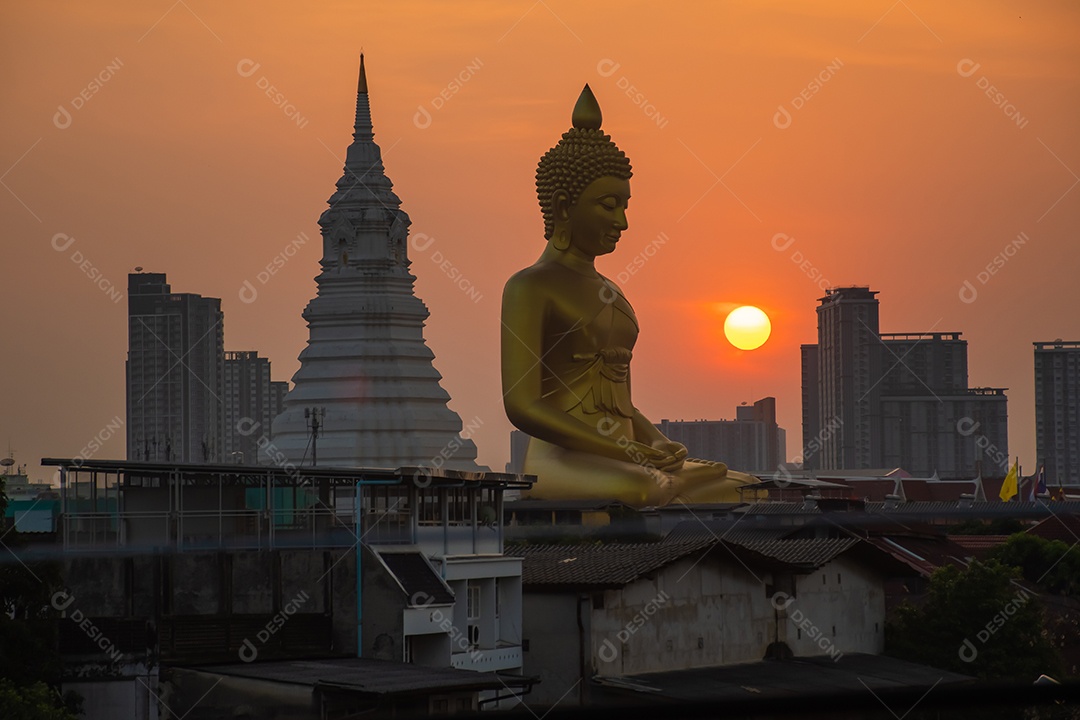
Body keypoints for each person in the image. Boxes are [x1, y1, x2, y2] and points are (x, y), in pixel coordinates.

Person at [501, 85, 757, 506]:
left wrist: (657, 441)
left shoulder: (611, 291)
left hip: (628, 456)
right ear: (564, 205)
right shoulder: (530, 286)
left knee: (750, 487)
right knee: (642, 489)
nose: (621, 221)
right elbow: (524, 406)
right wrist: (628, 452)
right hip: (564, 458)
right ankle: (667, 485)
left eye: (624, 205)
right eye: (607, 205)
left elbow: (622, 402)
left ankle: (673, 482)